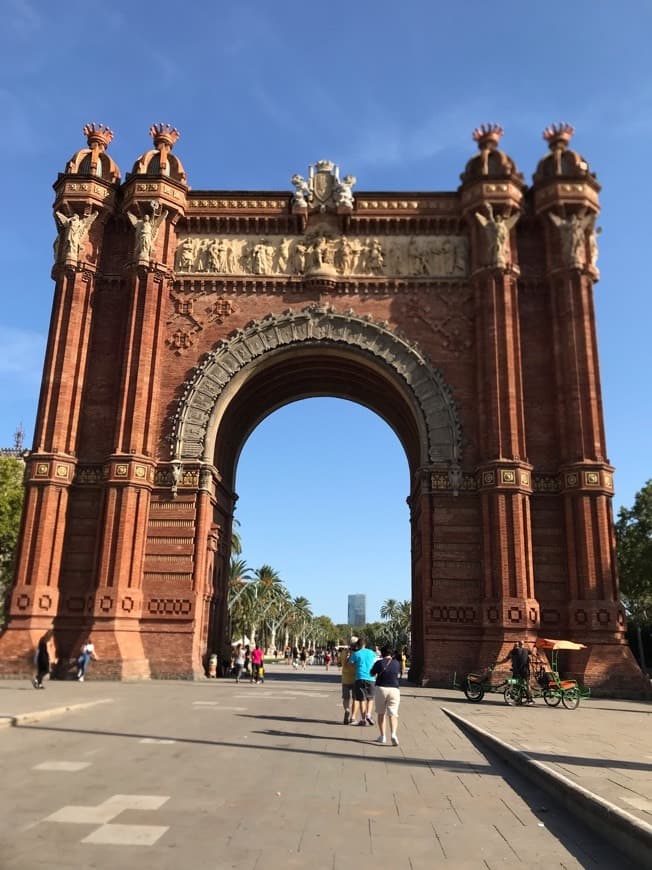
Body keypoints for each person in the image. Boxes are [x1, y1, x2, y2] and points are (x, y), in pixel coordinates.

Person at [371, 646, 402, 745]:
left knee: (381, 713)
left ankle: (383, 736)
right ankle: (393, 734)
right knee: (393, 714)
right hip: (394, 689)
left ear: (382, 653)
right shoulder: (396, 663)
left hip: (381, 688)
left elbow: (371, 673)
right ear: (391, 654)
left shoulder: (379, 663)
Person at [348, 638, 377, 726]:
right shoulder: (372, 653)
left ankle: (363, 719)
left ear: (357, 645)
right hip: (371, 678)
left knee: (362, 699)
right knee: (370, 698)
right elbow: (375, 661)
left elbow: (350, 663)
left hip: (359, 678)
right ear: (365, 644)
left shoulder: (356, 654)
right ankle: (368, 714)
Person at [340, 643, 357, 725]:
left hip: (345, 678)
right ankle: (353, 717)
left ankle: (347, 709)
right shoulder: (357, 654)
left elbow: (339, 663)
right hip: (355, 678)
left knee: (346, 698)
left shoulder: (343, 652)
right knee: (355, 699)